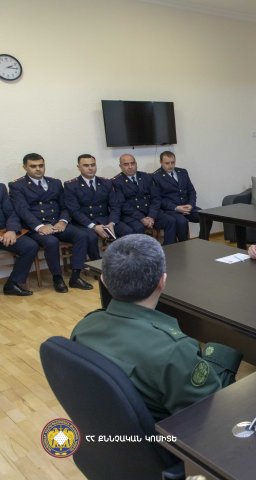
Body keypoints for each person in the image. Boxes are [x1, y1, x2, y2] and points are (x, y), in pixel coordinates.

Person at [71, 234, 243, 421]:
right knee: (224, 354)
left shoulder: (84, 327)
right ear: (162, 281)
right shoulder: (175, 350)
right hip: (169, 433)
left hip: (114, 424)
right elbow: (207, 412)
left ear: (103, 280)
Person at [9, 153, 92, 292]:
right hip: (35, 227)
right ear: (25, 167)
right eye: (33, 166)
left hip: (56, 223)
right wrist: (40, 227)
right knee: (51, 242)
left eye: (41, 165)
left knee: (82, 235)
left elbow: (65, 206)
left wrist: (63, 221)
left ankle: (76, 276)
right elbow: (22, 210)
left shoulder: (55, 183)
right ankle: (57, 278)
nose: (38, 169)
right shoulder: (17, 185)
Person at [64, 154, 132, 259]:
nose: (90, 168)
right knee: (91, 238)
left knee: (127, 231)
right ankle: (96, 264)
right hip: (84, 223)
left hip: (105, 220)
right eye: (86, 165)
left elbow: (115, 206)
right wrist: (94, 226)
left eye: (93, 165)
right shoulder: (71, 185)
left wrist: (112, 223)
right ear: (78, 167)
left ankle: (124, 261)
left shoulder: (106, 182)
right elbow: (74, 211)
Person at [112, 153, 177, 245]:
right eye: (126, 164)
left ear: (136, 164)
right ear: (120, 166)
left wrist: (151, 216)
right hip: (132, 215)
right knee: (138, 227)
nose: (130, 167)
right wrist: (142, 218)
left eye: (132, 163)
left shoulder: (147, 177)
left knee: (170, 220)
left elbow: (156, 198)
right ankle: (142, 252)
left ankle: (169, 247)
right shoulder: (116, 182)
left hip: (149, 211)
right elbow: (122, 204)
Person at [151, 151, 201, 242]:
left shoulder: (182, 172)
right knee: (182, 222)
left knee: (205, 216)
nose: (170, 165)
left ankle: (203, 240)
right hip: (171, 209)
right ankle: (184, 246)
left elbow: (191, 191)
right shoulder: (155, 177)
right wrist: (176, 208)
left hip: (187, 206)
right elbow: (158, 199)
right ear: (161, 162)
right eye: (167, 163)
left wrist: (191, 204)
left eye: (173, 162)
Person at [1, 183, 39, 296]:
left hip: (4, 232)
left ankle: (12, 284)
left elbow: (11, 213)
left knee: (30, 246)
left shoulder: (1, 188)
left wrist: (11, 230)